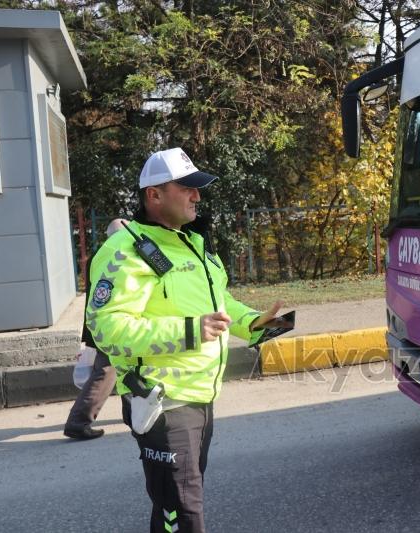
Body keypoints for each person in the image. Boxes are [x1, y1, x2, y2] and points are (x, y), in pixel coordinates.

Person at [85, 147, 282, 533]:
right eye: (187, 188)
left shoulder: (193, 242)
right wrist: (189, 330)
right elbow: (106, 328)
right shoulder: (124, 251)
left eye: (198, 188)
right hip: (163, 404)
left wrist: (257, 323)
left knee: (173, 510)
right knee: (185, 513)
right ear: (153, 195)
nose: (197, 196)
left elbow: (219, 303)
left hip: (200, 399)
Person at [64, 218, 130, 440]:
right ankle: (78, 421)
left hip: (104, 323)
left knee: (123, 369)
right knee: (107, 371)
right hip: (113, 324)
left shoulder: (100, 254)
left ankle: (132, 414)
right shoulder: (117, 254)